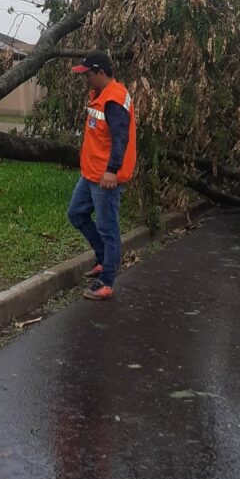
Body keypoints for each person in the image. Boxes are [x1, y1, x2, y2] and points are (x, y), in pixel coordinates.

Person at [67, 51, 137, 300]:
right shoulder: (101, 94)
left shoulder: (114, 100)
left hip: (106, 177)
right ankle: (102, 257)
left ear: (100, 72)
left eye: (87, 74)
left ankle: (107, 280)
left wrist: (112, 170)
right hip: (91, 174)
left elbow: (121, 138)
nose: (85, 78)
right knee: (76, 213)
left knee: (108, 228)